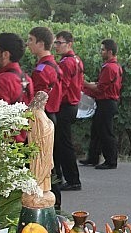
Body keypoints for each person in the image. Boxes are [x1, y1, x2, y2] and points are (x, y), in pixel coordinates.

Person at [27, 26, 63, 211]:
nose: (28, 44)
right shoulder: (54, 65)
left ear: (41, 44)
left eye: (31, 40)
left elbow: (37, 100)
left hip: (42, 119)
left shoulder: (42, 70)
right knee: (50, 161)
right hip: (52, 116)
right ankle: (55, 203)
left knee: (43, 164)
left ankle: (50, 204)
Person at [81, 39, 123, 169]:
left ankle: (110, 161)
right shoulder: (114, 66)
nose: (101, 52)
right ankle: (93, 157)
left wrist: (84, 84)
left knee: (105, 132)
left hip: (106, 102)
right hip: (107, 102)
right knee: (97, 131)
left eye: (103, 50)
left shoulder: (109, 68)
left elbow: (100, 88)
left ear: (110, 52)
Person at [0, 32, 34, 143]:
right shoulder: (27, 79)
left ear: (5, 54)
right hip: (24, 139)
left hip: (7, 142)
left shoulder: (2, 80)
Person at [54, 31, 84, 191]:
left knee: (63, 145)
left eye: (60, 43)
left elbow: (62, 87)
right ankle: (66, 178)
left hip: (65, 106)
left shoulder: (66, 63)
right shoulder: (76, 60)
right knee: (62, 144)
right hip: (72, 105)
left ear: (69, 44)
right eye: (56, 43)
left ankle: (72, 180)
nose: (56, 46)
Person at [21, 91, 56, 210]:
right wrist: (51, 126)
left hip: (43, 148)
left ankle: (43, 186)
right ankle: (38, 186)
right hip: (40, 148)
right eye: (45, 101)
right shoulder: (37, 113)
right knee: (39, 167)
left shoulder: (38, 112)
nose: (46, 103)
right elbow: (43, 131)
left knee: (43, 168)